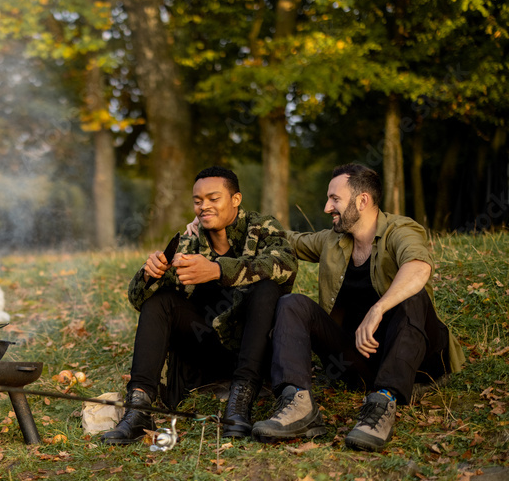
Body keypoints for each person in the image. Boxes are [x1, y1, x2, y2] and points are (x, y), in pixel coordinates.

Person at [251, 163, 465, 451]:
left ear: (362, 200)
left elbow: (418, 267)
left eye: (335, 199)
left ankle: (382, 402)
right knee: (293, 303)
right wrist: (230, 223)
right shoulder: (333, 241)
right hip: (360, 361)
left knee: (411, 297)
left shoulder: (400, 230)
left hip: (418, 360)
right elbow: (287, 240)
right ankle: (297, 403)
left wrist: (378, 309)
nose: (327, 208)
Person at [101, 167, 298, 445]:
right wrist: (149, 274)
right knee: (161, 301)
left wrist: (217, 270)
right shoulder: (189, 243)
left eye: (213, 198)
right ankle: (139, 408)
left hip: (254, 351)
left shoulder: (261, 227)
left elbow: (285, 265)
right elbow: (138, 301)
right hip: (207, 351)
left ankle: (240, 405)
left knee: (267, 287)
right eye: (198, 200)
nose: (204, 206)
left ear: (236, 199)